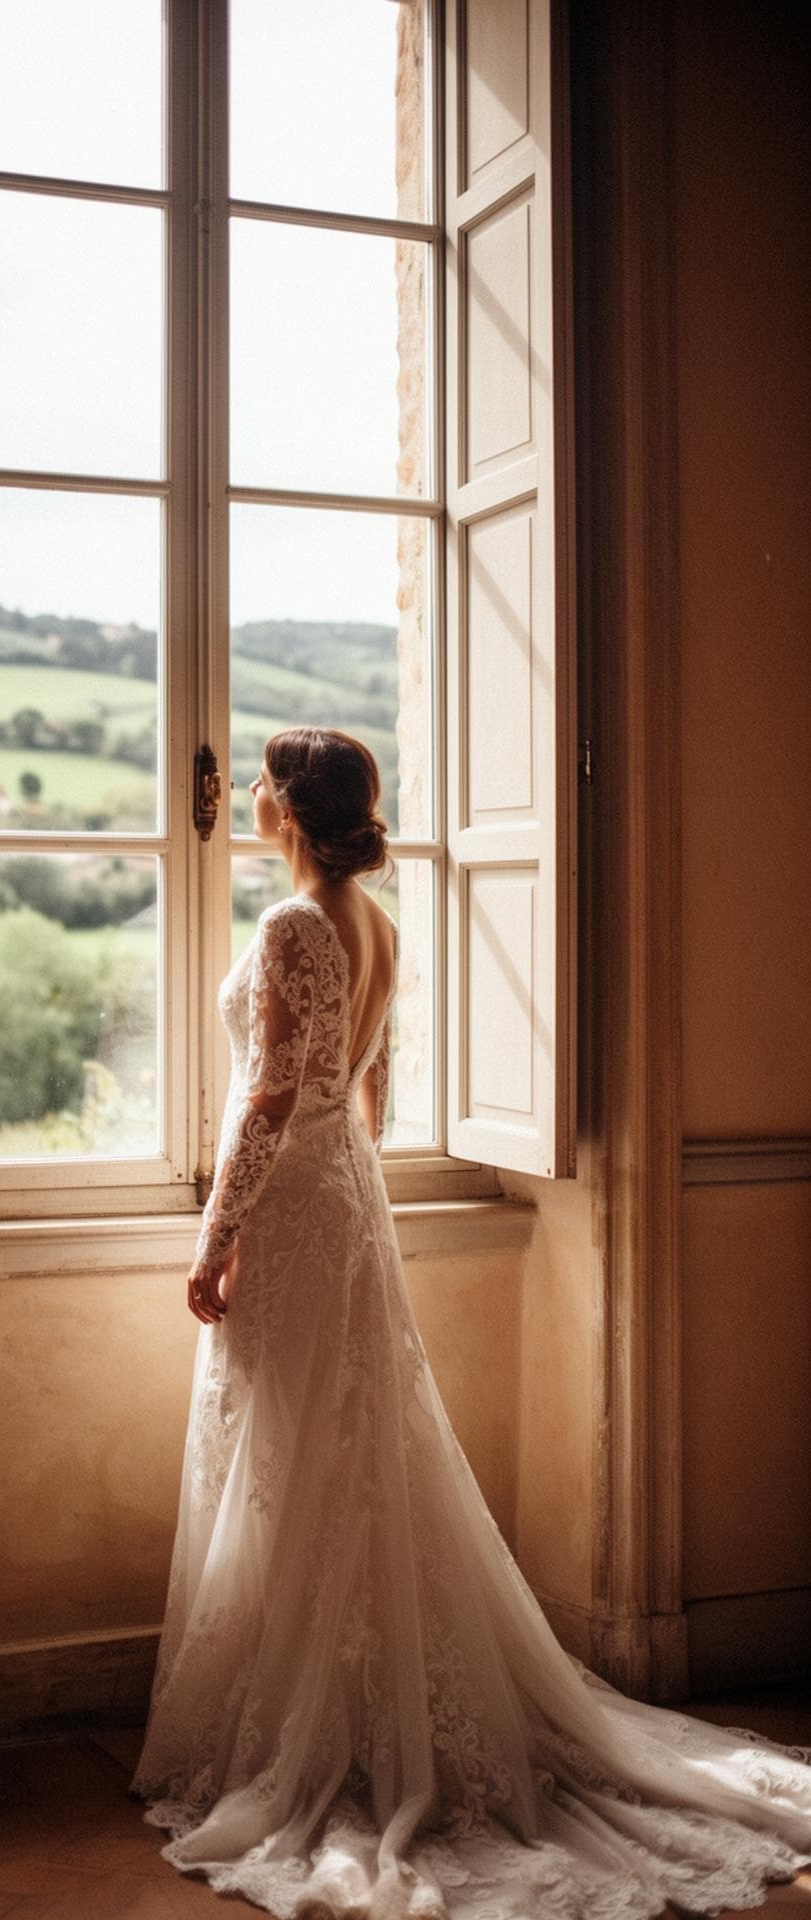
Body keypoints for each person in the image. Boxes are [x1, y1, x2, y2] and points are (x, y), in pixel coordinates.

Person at [132, 726, 811, 1919]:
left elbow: (275, 1092)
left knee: (292, 1458)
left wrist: (215, 1235)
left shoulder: (296, 926)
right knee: (348, 1454)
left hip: (300, 1203)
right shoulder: (379, 926)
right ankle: (346, 1710)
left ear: (288, 805)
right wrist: (339, 1188)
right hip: (348, 1197)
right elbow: (366, 1096)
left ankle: (313, 1736)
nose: (244, 797)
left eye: (255, 784)